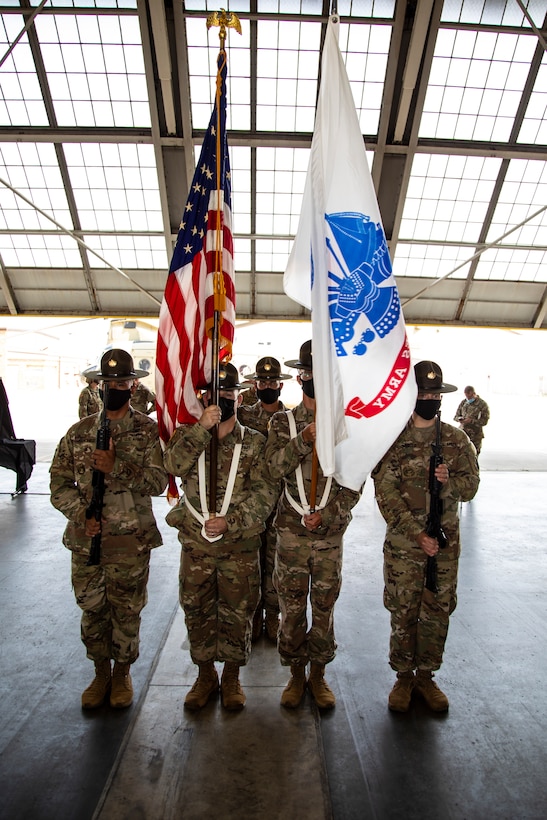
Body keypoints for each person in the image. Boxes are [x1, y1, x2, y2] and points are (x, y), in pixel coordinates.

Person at [50, 350, 168, 710]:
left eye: (121, 384)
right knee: (92, 609)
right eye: (108, 384)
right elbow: (58, 482)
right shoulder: (80, 432)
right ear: (97, 386)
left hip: (130, 543)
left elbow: (158, 481)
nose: (114, 389)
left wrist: (117, 466)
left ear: (133, 386)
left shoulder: (147, 432)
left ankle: (122, 673)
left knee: (127, 611)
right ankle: (100, 672)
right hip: (88, 541)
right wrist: (80, 513)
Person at [163, 362, 278, 712]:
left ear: (239, 397)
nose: (222, 399)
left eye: (228, 393)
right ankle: (204, 676)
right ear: (203, 398)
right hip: (196, 547)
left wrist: (232, 521)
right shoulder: (189, 435)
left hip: (238, 546)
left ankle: (231, 677)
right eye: (215, 394)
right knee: (196, 609)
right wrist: (201, 429)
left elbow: (265, 493)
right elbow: (172, 466)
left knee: (238, 611)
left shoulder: (256, 443)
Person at [372, 361, 479, 713]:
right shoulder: (393, 439)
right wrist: (417, 534)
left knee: (437, 610)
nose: (430, 399)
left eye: (435, 394)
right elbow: (386, 495)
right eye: (424, 393)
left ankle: (427, 676)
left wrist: (449, 484)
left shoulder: (456, 439)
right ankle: (403, 677)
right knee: (403, 609)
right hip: (405, 546)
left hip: (443, 547)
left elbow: (471, 486)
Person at [265, 340, 361, 710]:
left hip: (327, 536)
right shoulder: (282, 422)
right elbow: (272, 468)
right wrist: (302, 441)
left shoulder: (344, 426)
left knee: (323, 605)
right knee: (291, 607)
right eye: (308, 373)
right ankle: (294, 674)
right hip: (290, 534)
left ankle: (319, 675)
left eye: (320, 374)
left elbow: (354, 481)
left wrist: (331, 514)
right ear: (299, 376)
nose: (312, 379)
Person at [238, 356, 292, 642]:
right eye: (262, 382)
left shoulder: (291, 420)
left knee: (274, 565)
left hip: (281, 506)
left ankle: (272, 616)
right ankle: (253, 616)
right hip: (248, 504)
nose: (268, 386)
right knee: (249, 563)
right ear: (254, 385)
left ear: (281, 386)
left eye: (272, 382)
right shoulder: (243, 416)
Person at [454, 385, 490, 456]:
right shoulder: (464, 402)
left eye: (469, 396)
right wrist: (460, 419)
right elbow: (456, 416)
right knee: (461, 456)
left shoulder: (482, 404)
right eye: (466, 396)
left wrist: (471, 421)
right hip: (463, 434)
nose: (468, 398)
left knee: (474, 456)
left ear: (473, 393)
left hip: (475, 436)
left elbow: (484, 421)